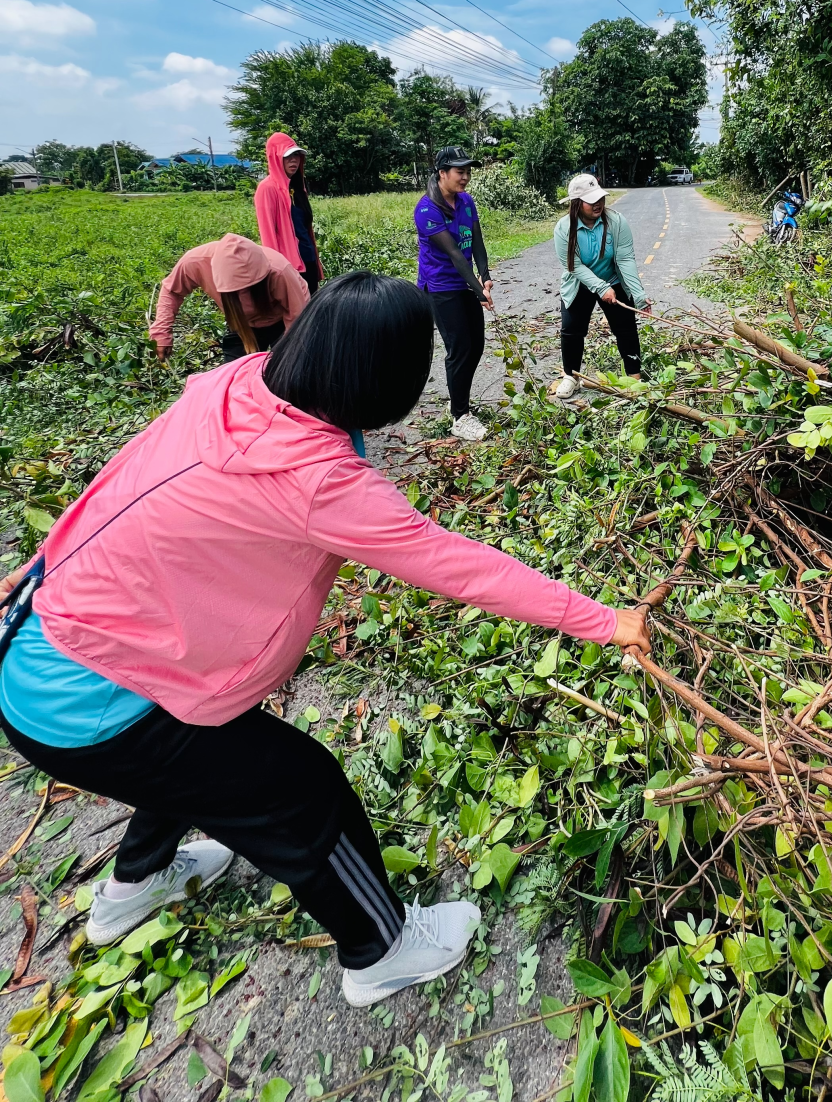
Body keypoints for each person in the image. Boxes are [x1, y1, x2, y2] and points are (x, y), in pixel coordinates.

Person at [0, 272, 651, 1005]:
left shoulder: (232, 386)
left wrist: (32, 574)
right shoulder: (320, 482)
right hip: (87, 702)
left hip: (35, 645)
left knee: (203, 756)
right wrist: (604, 620)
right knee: (300, 793)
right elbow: (458, 566)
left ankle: (135, 887)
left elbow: (115, 483)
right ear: (388, 379)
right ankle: (382, 950)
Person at [413, 148, 494, 443]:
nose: (465, 177)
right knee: (459, 348)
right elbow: (456, 256)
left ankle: (458, 402)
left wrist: (485, 276)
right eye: (459, 171)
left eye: (468, 171)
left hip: (466, 284)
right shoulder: (427, 210)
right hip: (441, 288)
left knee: (476, 346)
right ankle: (460, 417)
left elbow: (477, 243)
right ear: (442, 173)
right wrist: (479, 291)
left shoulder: (466, 201)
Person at [554, 173, 650, 400]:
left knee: (626, 326)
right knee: (571, 330)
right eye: (591, 200)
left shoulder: (616, 222)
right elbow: (574, 266)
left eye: (600, 198)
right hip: (579, 282)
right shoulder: (563, 229)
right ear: (577, 203)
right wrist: (599, 287)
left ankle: (634, 378)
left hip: (612, 279)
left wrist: (638, 294)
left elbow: (626, 259)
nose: (598, 203)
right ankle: (571, 377)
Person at [150, 232, 310, 364]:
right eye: (238, 290)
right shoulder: (196, 262)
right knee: (235, 372)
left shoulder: (279, 270)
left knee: (287, 369)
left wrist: (288, 356)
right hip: (241, 323)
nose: (243, 295)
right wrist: (161, 332)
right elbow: (172, 291)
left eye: (249, 288)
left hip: (283, 319)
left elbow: (297, 317)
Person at [255, 132, 323, 295]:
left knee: (312, 312)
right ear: (275, 157)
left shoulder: (298, 187)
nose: (294, 160)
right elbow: (268, 235)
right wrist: (275, 272)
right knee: (295, 315)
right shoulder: (267, 189)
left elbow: (305, 228)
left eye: (297, 155)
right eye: (288, 156)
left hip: (308, 260)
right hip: (289, 266)